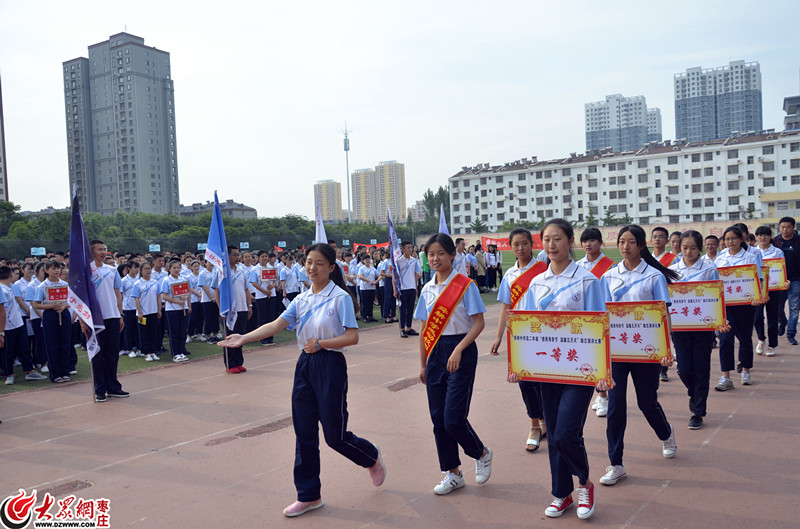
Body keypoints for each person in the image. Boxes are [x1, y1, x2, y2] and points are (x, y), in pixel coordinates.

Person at [218, 243, 386, 517]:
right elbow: (275, 325)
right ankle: (308, 495)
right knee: (304, 433)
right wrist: (244, 338)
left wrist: (321, 344)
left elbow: (352, 337)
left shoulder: (339, 298)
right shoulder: (302, 299)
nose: (312, 267)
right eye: (309, 262)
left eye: (319, 263)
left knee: (335, 436)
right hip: (305, 366)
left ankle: (370, 456)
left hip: (330, 364)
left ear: (331, 267)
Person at [516, 219, 609, 520]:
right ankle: (561, 494)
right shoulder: (537, 283)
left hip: (579, 367)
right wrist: (520, 364)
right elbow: (527, 326)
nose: (551, 245)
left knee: (567, 432)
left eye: (557, 239)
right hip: (546, 367)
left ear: (570, 241)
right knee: (553, 432)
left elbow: (600, 324)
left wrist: (603, 373)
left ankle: (584, 483)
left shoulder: (587, 281)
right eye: (546, 240)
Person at [600, 225, 679, 487]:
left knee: (647, 402)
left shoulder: (654, 276)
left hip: (646, 352)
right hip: (617, 352)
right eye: (621, 241)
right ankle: (616, 463)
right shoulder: (609, 277)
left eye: (631, 242)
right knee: (615, 406)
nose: (625, 246)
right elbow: (601, 316)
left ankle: (666, 434)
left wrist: (667, 350)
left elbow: (663, 315)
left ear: (641, 245)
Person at [414, 233, 492, 496]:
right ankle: (453, 473)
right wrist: (423, 365)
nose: (435, 259)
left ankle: (480, 452)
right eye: (430, 255)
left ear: (452, 255)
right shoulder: (426, 289)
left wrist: (459, 348)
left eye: (440, 254)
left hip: (461, 350)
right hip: (435, 352)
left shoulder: (465, 285)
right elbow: (425, 329)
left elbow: (479, 323)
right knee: (438, 419)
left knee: (453, 419)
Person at [489, 227, 547, 452]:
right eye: (516, 245)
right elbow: (506, 306)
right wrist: (498, 336)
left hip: (544, 335)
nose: (520, 248)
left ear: (531, 245)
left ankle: (544, 422)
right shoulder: (510, 275)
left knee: (543, 382)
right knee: (524, 383)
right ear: (511, 247)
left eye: (524, 243)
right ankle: (534, 424)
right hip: (520, 337)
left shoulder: (544, 270)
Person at [669, 231, 723, 430]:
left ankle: (698, 412)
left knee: (701, 368)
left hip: (703, 328)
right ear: (679, 248)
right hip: (680, 328)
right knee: (683, 369)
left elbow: (716, 297)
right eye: (684, 248)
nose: (689, 251)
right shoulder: (671, 271)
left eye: (693, 248)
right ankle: (694, 392)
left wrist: (719, 321)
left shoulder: (709, 270)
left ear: (699, 248)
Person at [713, 226, 762, 389]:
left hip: (745, 305)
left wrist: (756, 297)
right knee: (725, 339)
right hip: (726, 305)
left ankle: (746, 370)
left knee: (745, 337)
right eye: (727, 239)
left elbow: (757, 279)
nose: (730, 242)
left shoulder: (750, 257)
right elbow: (714, 283)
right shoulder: (719, 259)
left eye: (733, 238)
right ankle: (725, 376)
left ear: (741, 239)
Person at [577, 227, 615, 417]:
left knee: (600, 355)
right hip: (583, 318)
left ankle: (603, 395)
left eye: (592, 240)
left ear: (600, 242)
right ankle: (599, 393)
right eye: (584, 241)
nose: (588, 244)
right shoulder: (577, 265)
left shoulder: (610, 266)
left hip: (603, 315)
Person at [84, 240, 128, 403]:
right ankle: (100, 389)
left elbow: (118, 294)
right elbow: (82, 297)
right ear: (91, 251)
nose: (103, 252)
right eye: (99, 249)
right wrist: (83, 319)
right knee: (98, 355)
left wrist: (120, 314)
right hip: (95, 319)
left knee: (112, 354)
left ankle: (113, 387)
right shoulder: (86, 271)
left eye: (105, 249)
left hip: (113, 316)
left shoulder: (111, 270)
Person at [1, 266, 47, 385]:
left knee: (24, 348)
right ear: (11, 275)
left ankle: (30, 372)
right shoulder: (2, 290)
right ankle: (9, 375)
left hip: (19, 324)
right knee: (9, 352)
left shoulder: (11, 288)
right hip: (7, 327)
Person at [29, 261, 72, 383]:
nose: (56, 271)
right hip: (50, 315)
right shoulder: (42, 287)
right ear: (46, 270)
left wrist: (64, 307)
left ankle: (65, 371)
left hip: (63, 313)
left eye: (58, 268)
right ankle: (55, 373)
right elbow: (37, 305)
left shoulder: (65, 284)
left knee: (65, 343)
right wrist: (52, 305)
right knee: (52, 344)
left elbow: (72, 300)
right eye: (53, 268)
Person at [217, 246, 252, 373]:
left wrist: (249, 305)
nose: (238, 257)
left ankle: (238, 362)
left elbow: (247, 289)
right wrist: (221, 308)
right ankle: (230, 364)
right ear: (228, 255)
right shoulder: (222, 271)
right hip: (229, 310)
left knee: (240, 336)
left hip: (242, 308)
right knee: (230, 338)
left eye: (238, 255)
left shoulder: (241, 271)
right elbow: (216, 290)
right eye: (235, 255)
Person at [755, 226, 783, 357]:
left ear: (770, 236)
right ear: (756, 237)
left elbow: (782, 270)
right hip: (758, 289)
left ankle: (772, 345)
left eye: (766, 235)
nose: (763, 237)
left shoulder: (777, 252)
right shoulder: (753, 252)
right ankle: (761, 339)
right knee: (757, 317)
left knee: (772, 317)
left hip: (773, 289)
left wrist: (784, 281)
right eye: (760, 235)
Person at [772, 217, 800, 345]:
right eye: (782, 227)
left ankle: (791, 333)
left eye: (788, 227)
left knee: (794, 307)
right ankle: (782, 322)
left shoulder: (798, 241)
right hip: (779, 280)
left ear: (793, 227)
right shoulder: (775, 242)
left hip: (796, 279)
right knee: (778, 306)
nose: (785, 229)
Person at [160, 259, 191, 363]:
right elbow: (164, 296)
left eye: (178, 267)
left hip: (183, 309)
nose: (176, 269)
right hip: (172, 310)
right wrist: (177, 302)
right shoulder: (166, 280)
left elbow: (188, 293)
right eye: (174, 268)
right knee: (174, 332)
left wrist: (186, 301)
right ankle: (175, 353)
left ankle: (182, 350)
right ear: (169, 269)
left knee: (182, 331)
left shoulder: (184, 279)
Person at [132, 261, 162, 362]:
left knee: (153, 333)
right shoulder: (137, 284)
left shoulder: (155, 282)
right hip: (142, 313)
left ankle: (153, 352)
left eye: (149, 268)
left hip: (153, 312)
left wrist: (159, 309)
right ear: (141, 271)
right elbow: (136, 299)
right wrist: (139, 312)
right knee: (143, 333)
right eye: (145, 269)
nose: (148, 270)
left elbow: (158, 297)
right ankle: (146, 353)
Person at [395, 242, 422, 338]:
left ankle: (409, 328)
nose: (410, 250)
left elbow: (415, 274)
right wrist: (395, 289)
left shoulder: (414, 261)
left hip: (412, 288)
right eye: (408, 248)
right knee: (403, 310)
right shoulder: (398, 261)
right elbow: (395, 277)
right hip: (402, 288)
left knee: (410, 309)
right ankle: (402, 329)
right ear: (402, 249)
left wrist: (415, 287)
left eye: (411, 248)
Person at [121, 261, 142, 358]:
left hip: (139, 308)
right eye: (135, 267)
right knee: (129, 329)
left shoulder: (139, 280)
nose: (137, 270)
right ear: (129, 268)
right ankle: (129, 349)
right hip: (128, 308)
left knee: (139, 329)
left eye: (138, 268)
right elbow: (120, 295)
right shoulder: (124, 280)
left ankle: (138, 348)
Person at [358, 255, 379, 322]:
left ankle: (370, 316)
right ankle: (365, 316)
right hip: (364, 288)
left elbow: (380, 275)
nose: (367, 261)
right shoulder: (362, 268)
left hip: (372, 288)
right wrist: (368, 281)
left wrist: (376, 281)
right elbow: (360, 276)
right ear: (363, 261)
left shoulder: (373, 269)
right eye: (365, 259)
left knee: (370, 303)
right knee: (365, 303)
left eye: (368, 259)